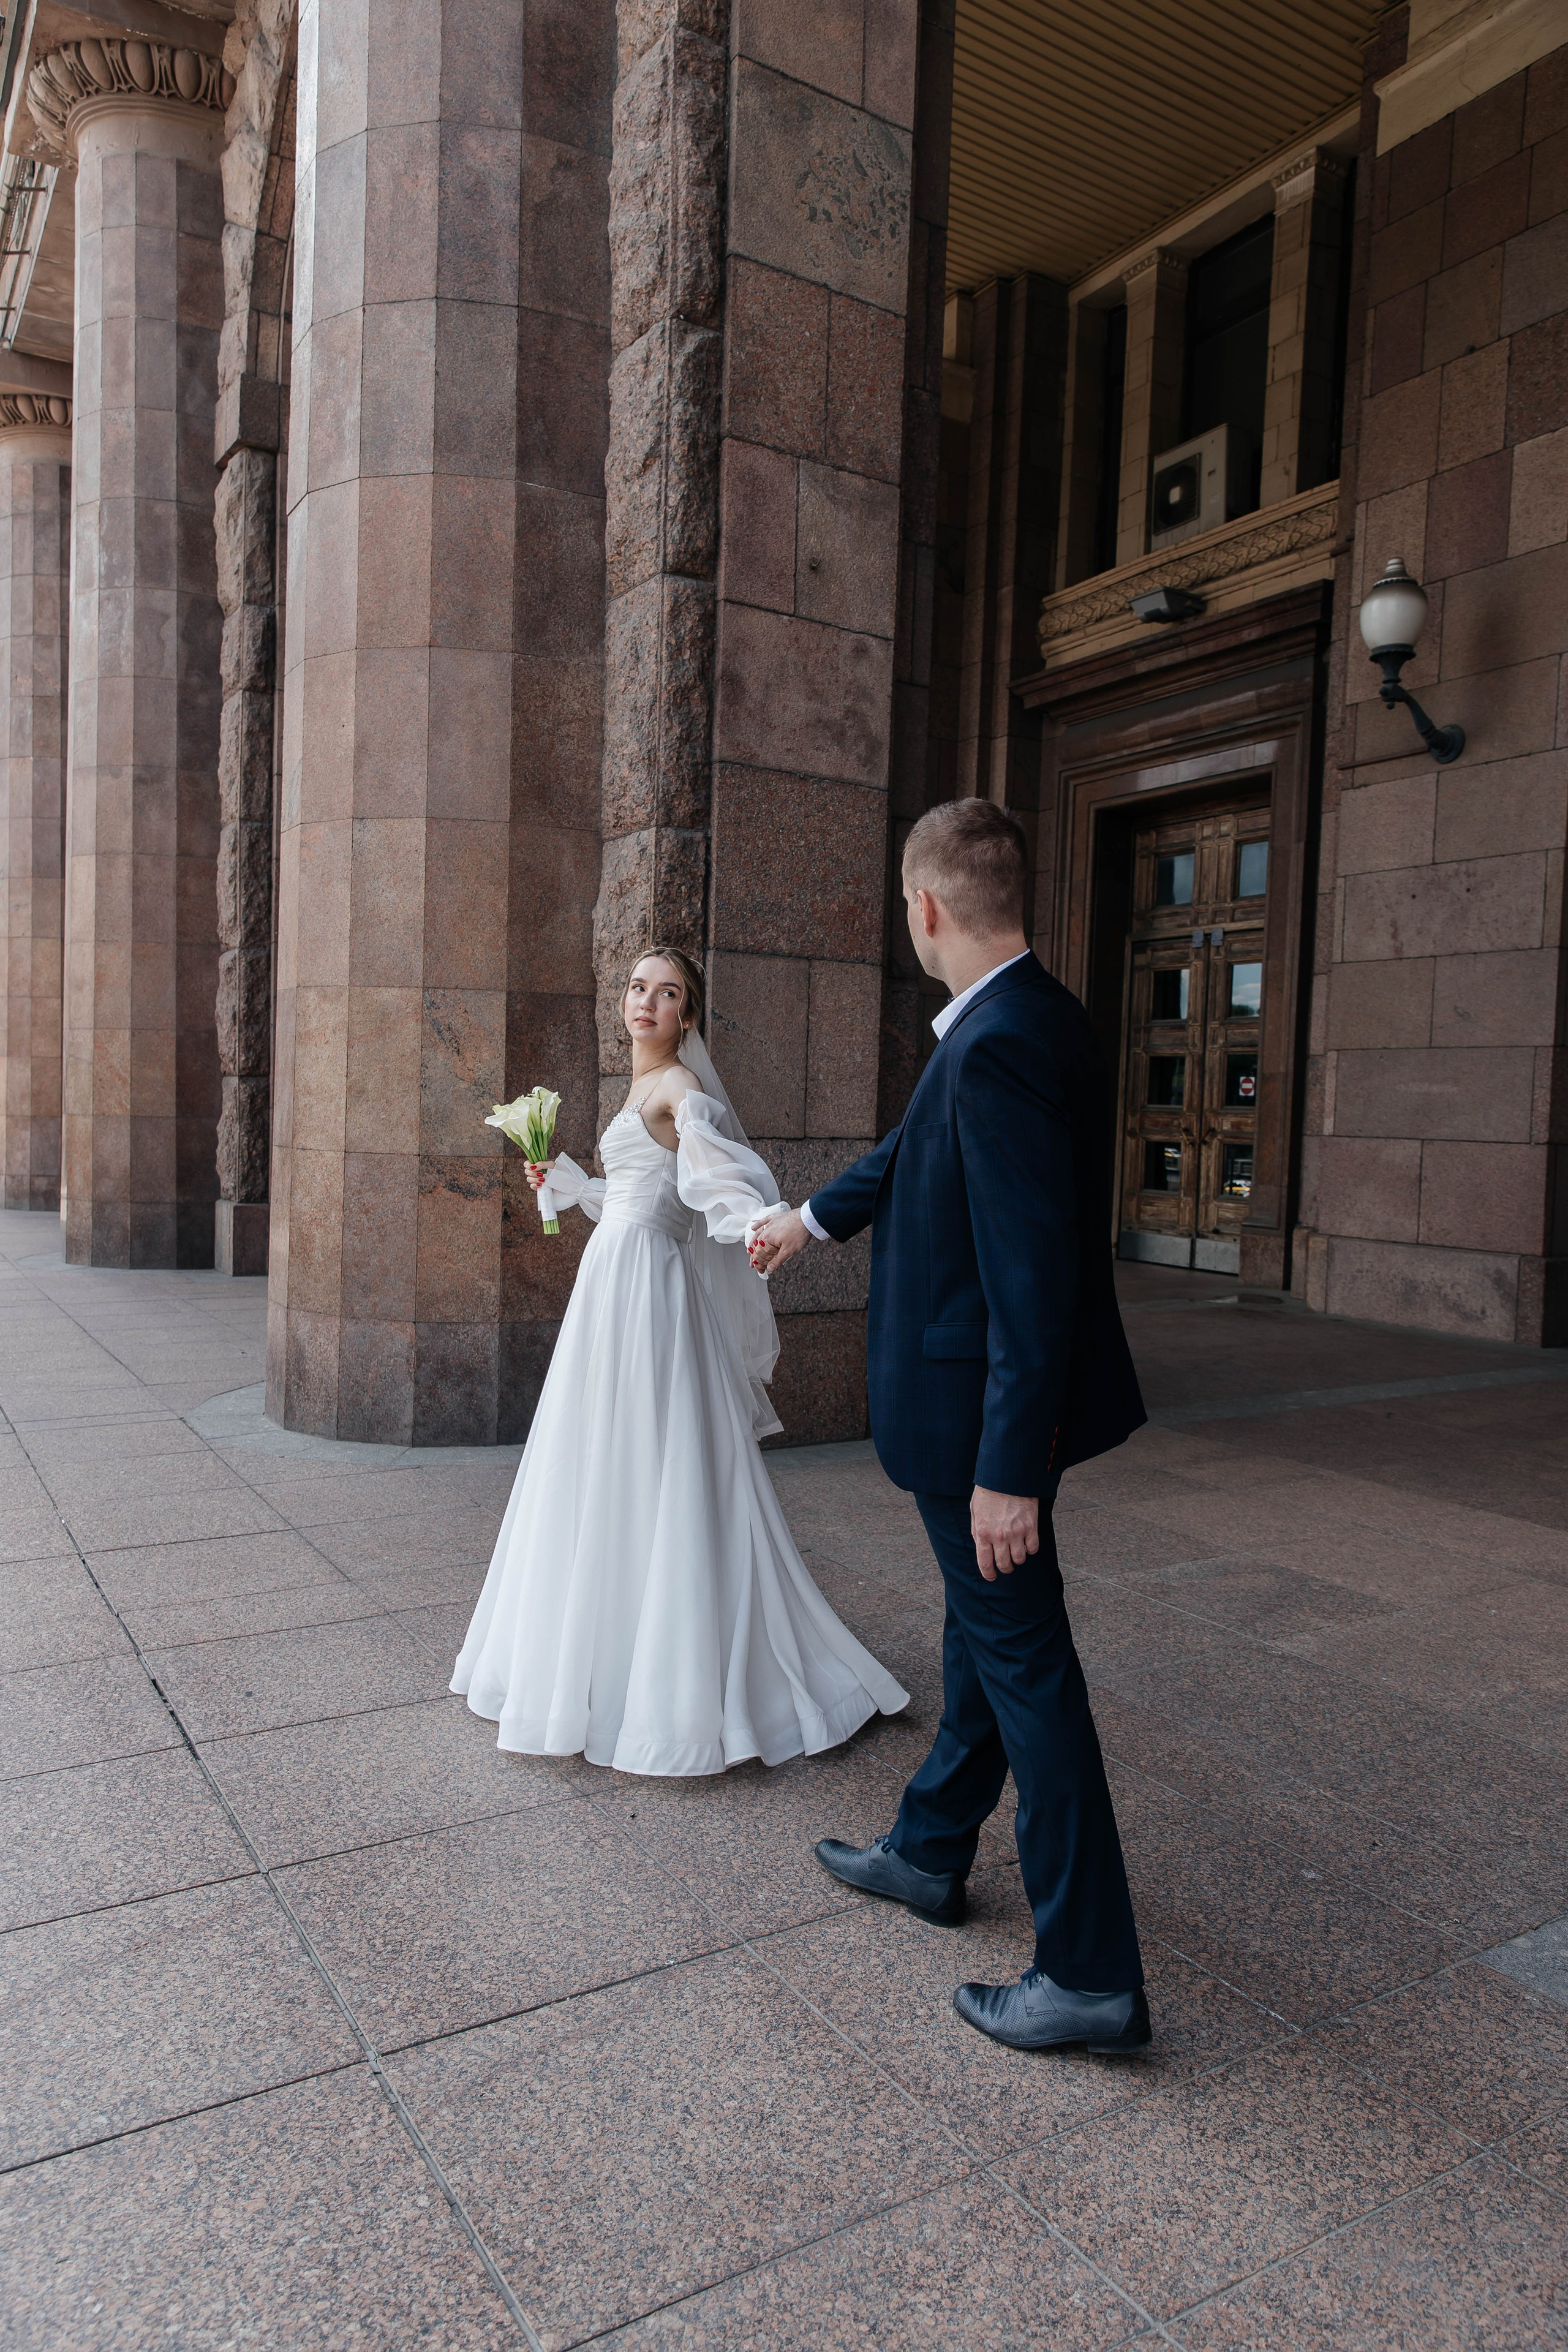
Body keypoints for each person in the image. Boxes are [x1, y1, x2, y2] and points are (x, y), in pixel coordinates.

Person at [750, 799, 1150, 2054]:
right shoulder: (1022, 1019)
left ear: (923, 907)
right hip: (982, 1417)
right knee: (987, 1639)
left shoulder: (996, 1046)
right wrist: (807, 1219)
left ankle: (1085, 1971)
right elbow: (913, 1149)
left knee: (1028, 1667)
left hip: (980, 1423)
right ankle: (929, 1848)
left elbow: (1033, 1280)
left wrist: (1004, 1474)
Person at [451, 946, 908, 1776]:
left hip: (649, 1298)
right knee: (604, 1461)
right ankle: (597, 1654)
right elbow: (632, 1195)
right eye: (637, 988)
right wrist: (564, 1179)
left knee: (655, 1461)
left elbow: (709, 1181)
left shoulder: (679, 1090)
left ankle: (668, 1681)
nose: (647, 1003)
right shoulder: (634, 1090)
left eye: (668, 994)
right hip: (614, 1287)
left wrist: (762, 1226)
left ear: (688, 1015)